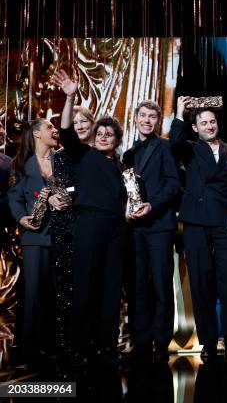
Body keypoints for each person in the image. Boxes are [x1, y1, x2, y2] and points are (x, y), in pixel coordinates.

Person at [53, 69, 128, 364]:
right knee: (85, 283)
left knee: (111, 287)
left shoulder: (123, 167)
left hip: (116, 227)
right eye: (100, 134)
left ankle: (107, 344)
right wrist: (70, 97)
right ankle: (79, 346)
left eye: (110, 134)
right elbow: (68, 131)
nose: (104, 137)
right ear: (94, 137)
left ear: (116, 139)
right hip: (89, 222)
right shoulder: (83, 155)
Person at [170, 96, 227, 360]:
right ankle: (209, 343)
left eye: (212, 122)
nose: (210, 126)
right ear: (195, 128)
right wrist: (180, 112)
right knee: (201, 283)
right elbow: (173, 144)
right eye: (204, 122)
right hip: (196, 222)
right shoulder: (189, 149)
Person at [121, 100, 180, 362]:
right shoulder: (128, 154)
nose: (146, 120)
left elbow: (173, 183)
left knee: (160, 284)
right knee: (136, 286)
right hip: (134, 228)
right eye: (142, 116)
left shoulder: (165, 147)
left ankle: (162, 341)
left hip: (159, 225)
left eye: (151, 117)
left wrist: (151, 205)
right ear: (135, 119)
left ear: (158, 121)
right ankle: (140, 338)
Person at [7, 119, 58, 360]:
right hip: (35, 237)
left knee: (54, 292)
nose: (55, 130)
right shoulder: (22, 164)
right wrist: (21, 219)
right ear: (36, 134)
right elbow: (14, 198)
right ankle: (28, 344)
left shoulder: (62, 161)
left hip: (61, 236)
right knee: (33, 292)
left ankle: (50, 341)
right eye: (50, 127)